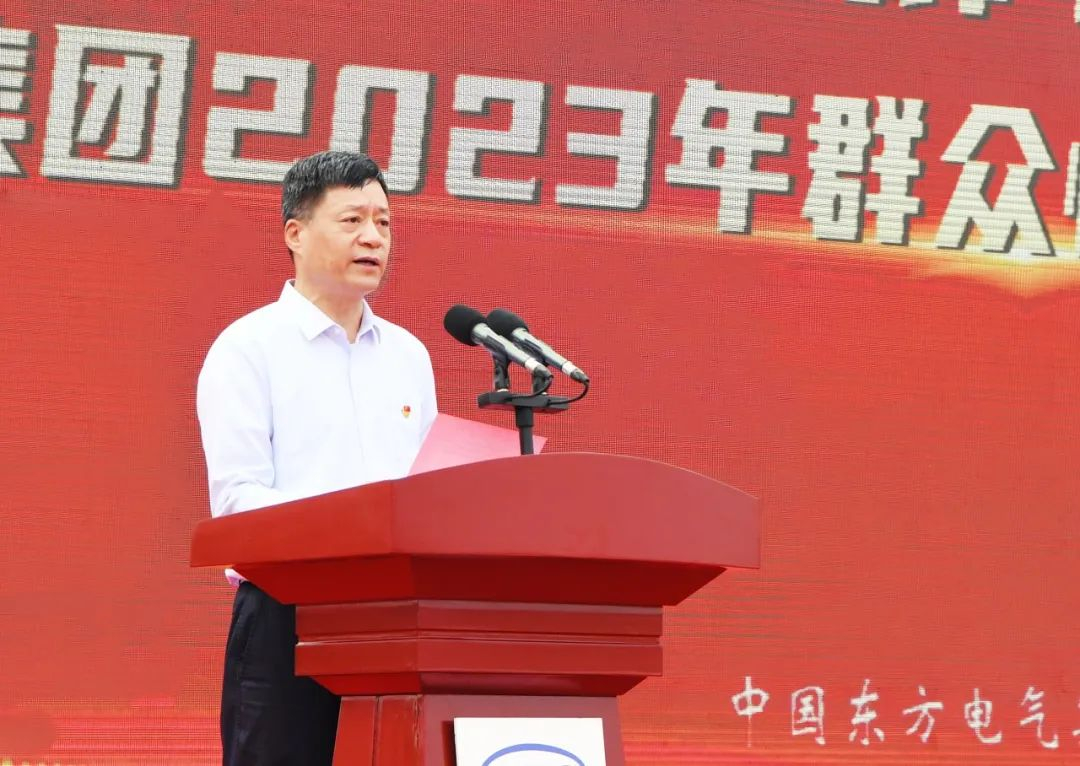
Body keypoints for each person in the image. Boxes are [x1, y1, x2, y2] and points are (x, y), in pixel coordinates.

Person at [196, 151, 437, 765]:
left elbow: (425, 487)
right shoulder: (248, 348)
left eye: (383, 222)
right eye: (352, 220)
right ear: (295, 234)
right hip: (290, 617)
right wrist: (356, 523)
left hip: (398, 620)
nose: (373, 238)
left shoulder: (408, 356)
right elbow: (238, 500)